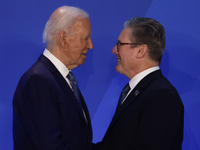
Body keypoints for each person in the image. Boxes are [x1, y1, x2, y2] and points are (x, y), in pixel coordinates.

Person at [95, 17, 184, 150]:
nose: (114, 50)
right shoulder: (137, 90)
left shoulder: (161, 95)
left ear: (140, 51)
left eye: (120, 44)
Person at [12, 6, 93, 150]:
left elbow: (77, 143)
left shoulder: (61, 78)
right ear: (63, 38)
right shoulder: (38, 81)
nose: (90, 45)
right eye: (85, 38)